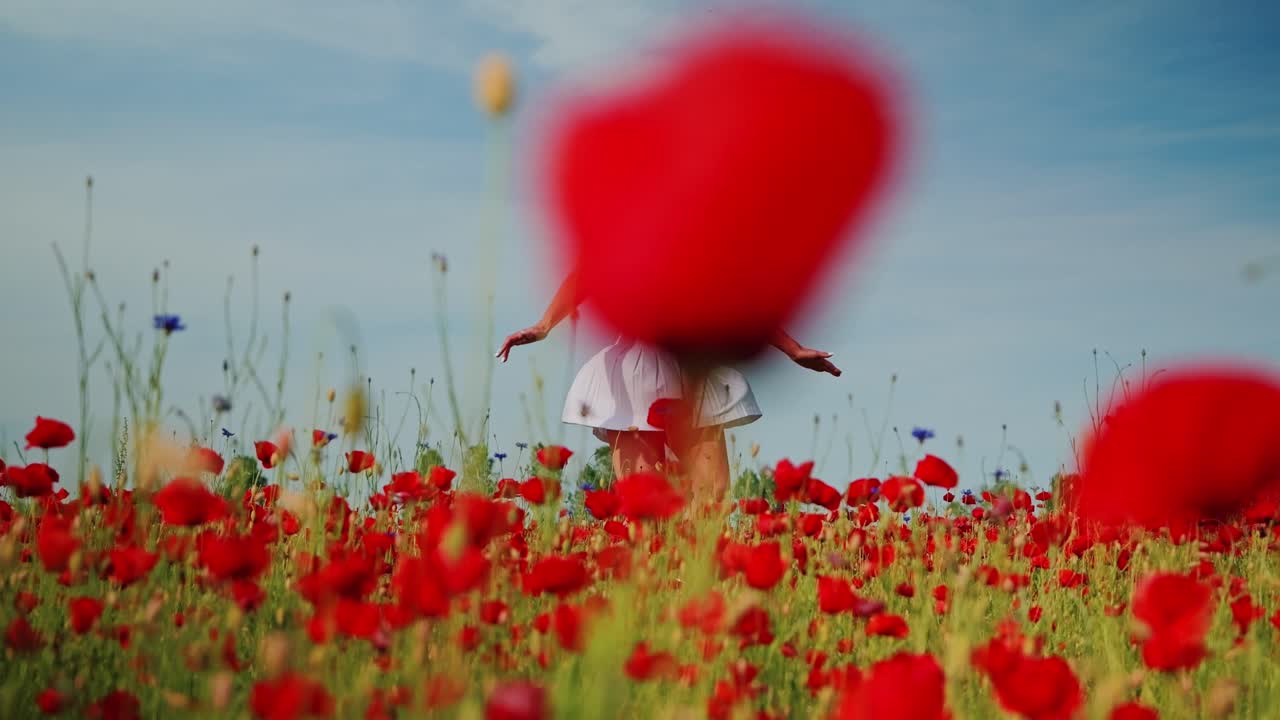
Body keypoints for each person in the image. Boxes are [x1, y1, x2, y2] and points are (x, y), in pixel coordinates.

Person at [497, 271, 840, 498]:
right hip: (636, 371)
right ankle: (655, 593)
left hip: (697, 363)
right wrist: (543, 326)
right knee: (643, 501)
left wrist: (792, 349)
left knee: (712, 494)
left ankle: (693, 592)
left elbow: (738, 301)